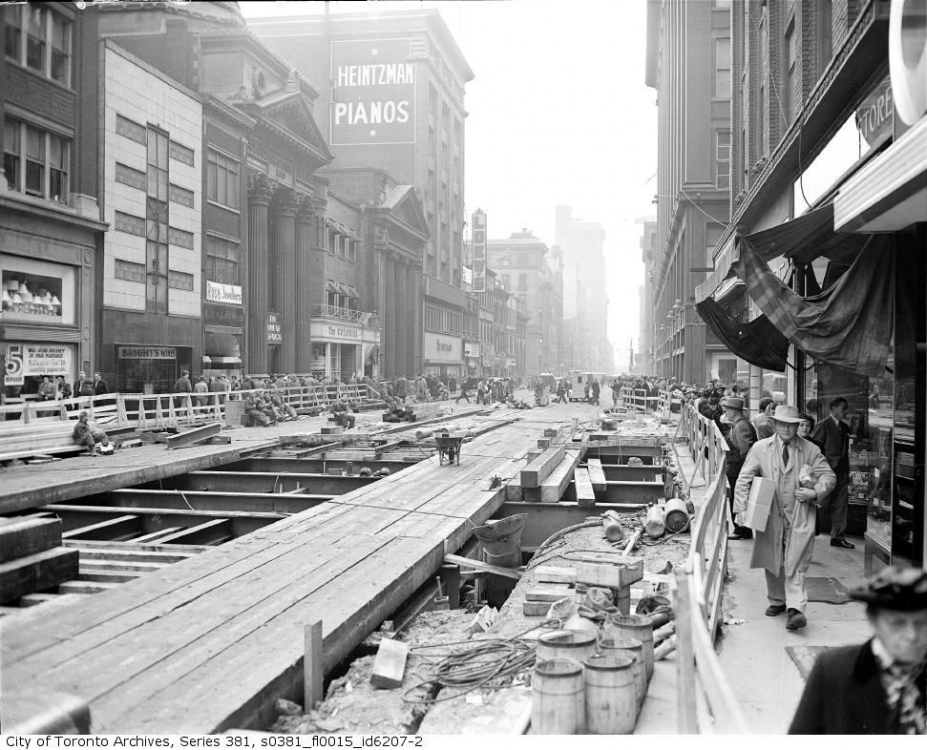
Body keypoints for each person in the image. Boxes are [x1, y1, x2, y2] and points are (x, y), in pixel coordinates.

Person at [789, 566, 927, 734]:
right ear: (873, 620)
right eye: (897, 623)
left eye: (922, 623)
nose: (912, 635)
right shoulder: (833, 669)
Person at [734, 405, 836, 631]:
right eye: (782, 423)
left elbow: (828, 476)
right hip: (770, 512)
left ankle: (796, 609)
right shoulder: (761, 448)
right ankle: (777, 600)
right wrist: (740, 509)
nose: (787, 428)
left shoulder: (810, 449)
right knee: (772, 558)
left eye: (792, 424)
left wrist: (814, 491)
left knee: (796, 560)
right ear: (774, 425)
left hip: (800, 514)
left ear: (798, 426)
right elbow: (744, 479)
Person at [812, 397, 854, 550]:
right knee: (822, 503)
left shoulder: (844, 427)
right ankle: (808, 530)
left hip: (842, 471)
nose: (846, 411)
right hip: (827, 472)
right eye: (844, 408)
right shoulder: (823, 426)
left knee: (841, 505)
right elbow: (815, 449)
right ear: (834, 408)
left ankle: (838, 536)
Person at [722, 396, 757, 541]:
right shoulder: (738, 424)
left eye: (727, 410)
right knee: (737, 499)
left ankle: (741, 529)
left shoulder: (741, 425)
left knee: (738, 499)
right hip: (736, 467)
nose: (726, 412)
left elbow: (746, 449)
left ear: (734, 412)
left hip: (738, 468)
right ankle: (742, 529)